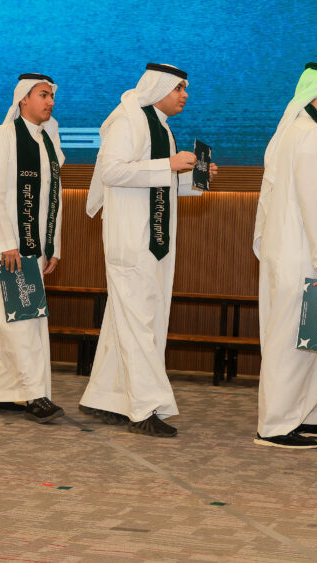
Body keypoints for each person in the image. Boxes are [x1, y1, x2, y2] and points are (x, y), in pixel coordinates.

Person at [80, 63, 215, 437]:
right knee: (139, 323)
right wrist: (169, 164)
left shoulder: (162, 127)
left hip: (154, 241)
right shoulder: (128, 120)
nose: (185, 95)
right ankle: (144, 408)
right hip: (131, 241)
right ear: (158, 88)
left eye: (185, 88)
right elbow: (112, 172)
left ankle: (104, 397)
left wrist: (194, 179)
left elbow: (158, 183)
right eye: (179, 88)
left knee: (130, 321)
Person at [252, 62, 317, 449]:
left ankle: (309, 415)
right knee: (292, 340)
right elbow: (311, 200)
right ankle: (274, 425)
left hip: (290, 248)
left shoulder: (296, 129)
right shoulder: (309, 133)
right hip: (300, 252)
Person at [0, 74, 65, 424]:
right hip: (10, 244)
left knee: (9, 317)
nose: (50, 102)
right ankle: (33, 394)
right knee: (24, 316)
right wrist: (6, 243)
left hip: (35, 245)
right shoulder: (3, 135)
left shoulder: (47, 140)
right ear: (24, 99)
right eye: (43, 95)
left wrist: (54, 245)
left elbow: (53, 198)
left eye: (52, 96)